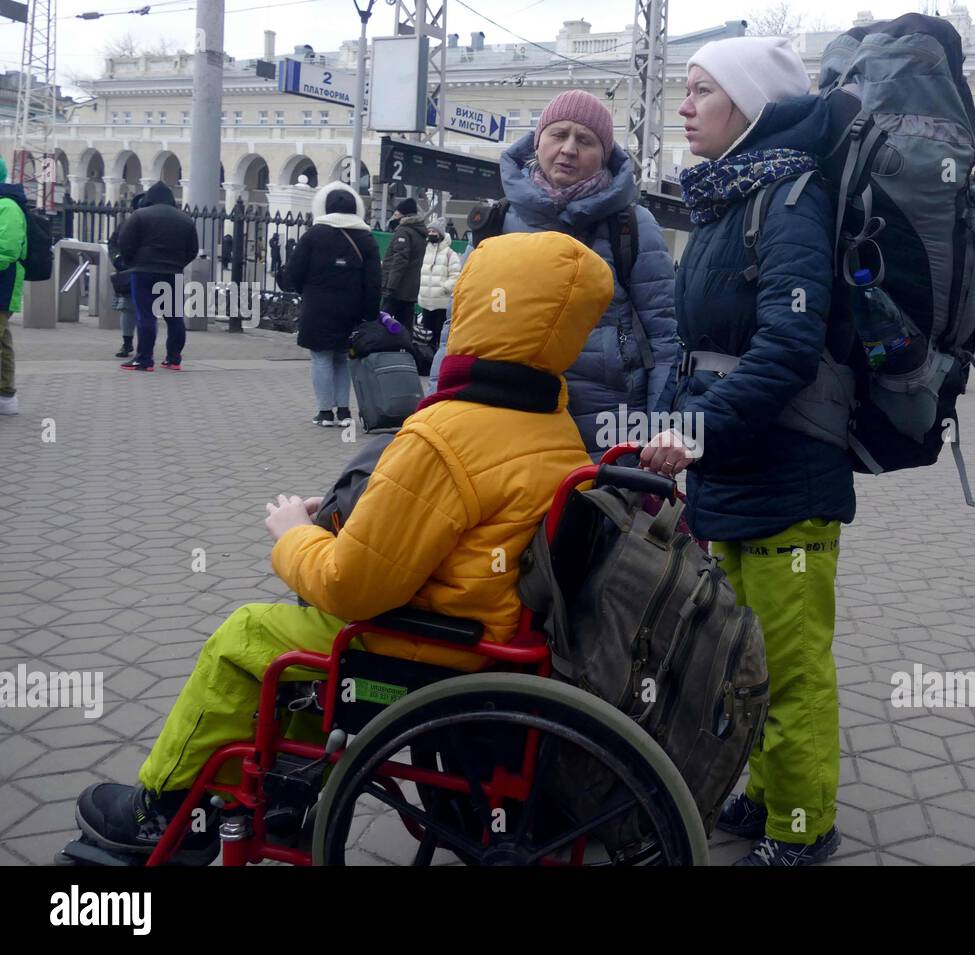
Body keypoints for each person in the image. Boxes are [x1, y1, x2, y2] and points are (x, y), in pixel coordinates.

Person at [71, 231, 615, 864]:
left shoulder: (447, 432)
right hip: (493, 636)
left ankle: (157, 809)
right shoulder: (555, 426)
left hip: (431, 649)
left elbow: (353, 586)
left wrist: (293, 535)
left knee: (246, 634)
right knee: (300, 633)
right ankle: (283, 798)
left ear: (472, 307)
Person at [641, 36, 850, 867]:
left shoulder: (792, 197)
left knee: (792, 665)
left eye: (701, 92)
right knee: (745, 653)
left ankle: (804, 827)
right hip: (734, 466)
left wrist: (693, 431)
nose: (684, 107)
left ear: (751, 105)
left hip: (788, 474)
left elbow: (787, 350)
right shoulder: (733, 199)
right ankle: (767, 793)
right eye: (684, 92)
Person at [429, 88, 678, 457]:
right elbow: (458, 328)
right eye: (558, 134)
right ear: (537, 141)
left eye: (585, 140)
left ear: (605, 154)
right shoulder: (495, 223)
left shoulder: (632, 227)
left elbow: (664, 337)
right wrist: (435, 408)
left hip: (606, 426)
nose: (569, 149)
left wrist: (658, 429)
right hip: (505, 414)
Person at [286, 180, 381, 427]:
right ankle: (344, 412)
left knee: (320, 357)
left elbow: (294, 272)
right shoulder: (366, 238)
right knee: (342, 356)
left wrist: (304, 290)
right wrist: (369, 313)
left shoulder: (314, 235)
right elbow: (373, 281)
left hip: (318, 307)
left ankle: (325, 412)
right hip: (352, 309)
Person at [116, 182, 199, 371]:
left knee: (146, 315)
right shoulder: (185, 220)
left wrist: (132, 262)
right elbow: (192, 250)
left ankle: (144, 359)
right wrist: (178, 264)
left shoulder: (139, 216)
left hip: (144, 271)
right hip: (172, 272)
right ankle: (173, 359)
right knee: (174, 317)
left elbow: (125, 242)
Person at [0, 156, 27, 415]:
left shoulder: (7, 206)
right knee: (3, 341)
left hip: (3, 284)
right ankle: (6, 395)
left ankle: (6, 396)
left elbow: (7, 250)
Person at [107, 193, 146, 359]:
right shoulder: (126, 224)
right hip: (129, 270)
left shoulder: (148, 224)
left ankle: (142, 344)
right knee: (128, 308)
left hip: (143, 270)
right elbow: (114, 243)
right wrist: (118, 260)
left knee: (140, 310)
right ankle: (128, 342)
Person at [379, 197, 427, 333]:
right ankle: (405, 351)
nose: (395, 215)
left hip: (397, 288)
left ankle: (381, 350)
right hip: (410, 290)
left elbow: (400, 260)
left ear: (403, 214)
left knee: (383, 320)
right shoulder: (419, 232)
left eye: (397, 212)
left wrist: (390, 286)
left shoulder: (404, 231)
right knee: (405, 326)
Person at [417, 216, 461, 348]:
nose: (431, 234)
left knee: (440, 334)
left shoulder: (450, 254)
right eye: (429, 231)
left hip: (442, 302)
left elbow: (456, 275)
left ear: (441, 234)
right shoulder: (424, 250)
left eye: (434, 232)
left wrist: (444, 288)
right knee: (426, 336)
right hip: (426, 301)